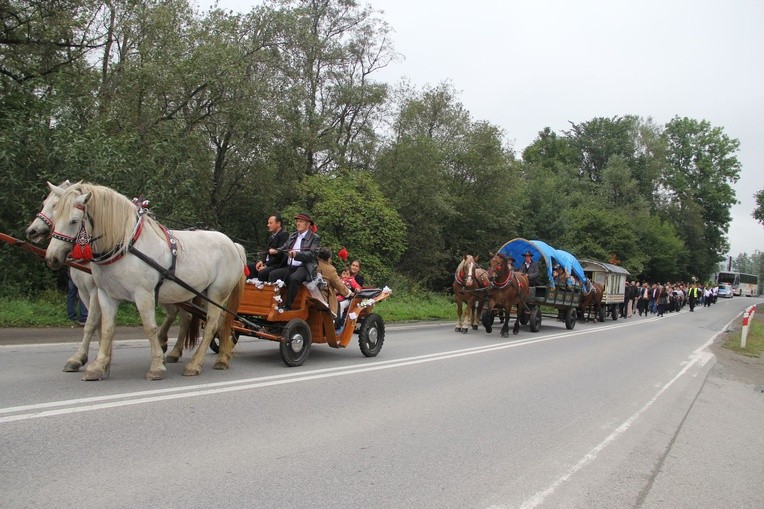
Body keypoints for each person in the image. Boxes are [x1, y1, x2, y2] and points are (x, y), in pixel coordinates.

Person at [268, 212, 321, 311]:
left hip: (305, 267)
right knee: (273, 274)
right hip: (290, 266)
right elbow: (285, 247)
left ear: (308, 224)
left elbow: (312, 254)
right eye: (297, 221)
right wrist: (277, 250)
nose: (298, 223)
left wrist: (297, 255)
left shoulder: (315, 238)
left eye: (301, 222)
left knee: (294, 278)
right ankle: (272, 303)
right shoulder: (293, 235)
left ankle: (288, 306)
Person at [248, 214, 289, 281]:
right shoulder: (271, 237)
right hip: (267, 263)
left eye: (270, 223)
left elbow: (280, 255)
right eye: (268, 223)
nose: (268, 225)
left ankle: (263, 290)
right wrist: (261, 261)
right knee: (250, 267)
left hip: (276, 265)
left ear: (278, 223)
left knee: (263, 272)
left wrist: (266, 265)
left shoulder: (284, 235)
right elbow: (265, 251)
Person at [316, 248, 352, 320]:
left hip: (311, 292)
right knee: (337, 305)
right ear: (328, 258)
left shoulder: (313, 263)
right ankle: (335, 323)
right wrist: (349, 293)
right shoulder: (330, 269)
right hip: (323, 296)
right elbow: (339, 285)